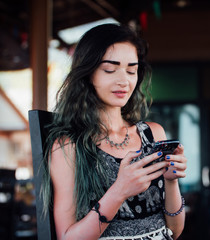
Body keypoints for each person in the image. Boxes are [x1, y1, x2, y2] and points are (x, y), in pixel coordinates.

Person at [41, 23, 187, 240]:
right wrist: (119, 191)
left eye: (131, 70)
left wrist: (171, 181)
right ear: (89, 72)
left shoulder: (153, 134)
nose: (124, 81)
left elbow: (174, 231)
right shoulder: (68, 146)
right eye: (110, 69)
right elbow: (68, 237)